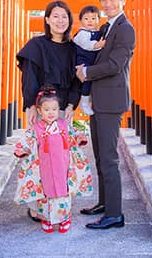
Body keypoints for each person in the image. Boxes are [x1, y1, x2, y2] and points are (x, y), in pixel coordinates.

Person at [76, 0, 136, 229]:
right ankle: (104, 203)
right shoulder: (107, 27)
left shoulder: (125, 28)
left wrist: (87, 72)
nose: (108, 3)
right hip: (99, 100)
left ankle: (115, 214)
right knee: (100, 156)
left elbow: (115, 65)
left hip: (110, 101)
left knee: (109, 158)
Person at [16, 0, 82, 221]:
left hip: (63, 110)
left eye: (64, 16)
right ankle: (38, 208)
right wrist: (30, 106)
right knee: (38, 160)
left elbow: (76, 81)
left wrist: (72, 104)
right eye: (55, 16)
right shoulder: (36, 45)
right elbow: (29, 77)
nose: (60, 20)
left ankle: (61, 206)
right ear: (47, 19)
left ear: (69, 21)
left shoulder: (74, 49)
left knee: (63, 160)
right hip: (40, 109)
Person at [13, 84, 93, 233]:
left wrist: (79, 138)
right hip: (45, 166)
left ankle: (65, 218)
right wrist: (21, 149)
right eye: (46, 110)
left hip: (63, 165)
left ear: (58, 110)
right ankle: (47, 218)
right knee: (45, 191)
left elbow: (74, 134)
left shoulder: (64, 125)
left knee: (63, 191)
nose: (51, 113)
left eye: (54, 110)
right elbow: (28, 139)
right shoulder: (37, 128)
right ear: (39, 111)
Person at [73, 5, 106, 116]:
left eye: (93, 18)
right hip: (83, 62)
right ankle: (84, 102)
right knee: (86, 81)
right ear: (81, 20)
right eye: (86, 19)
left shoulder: (98, 32)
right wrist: (99, 44)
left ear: (98, 20)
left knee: (92, 81)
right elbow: (88, 45)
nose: (90, 21)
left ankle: (89, 100)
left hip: (92, 62)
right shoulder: (82, 34)